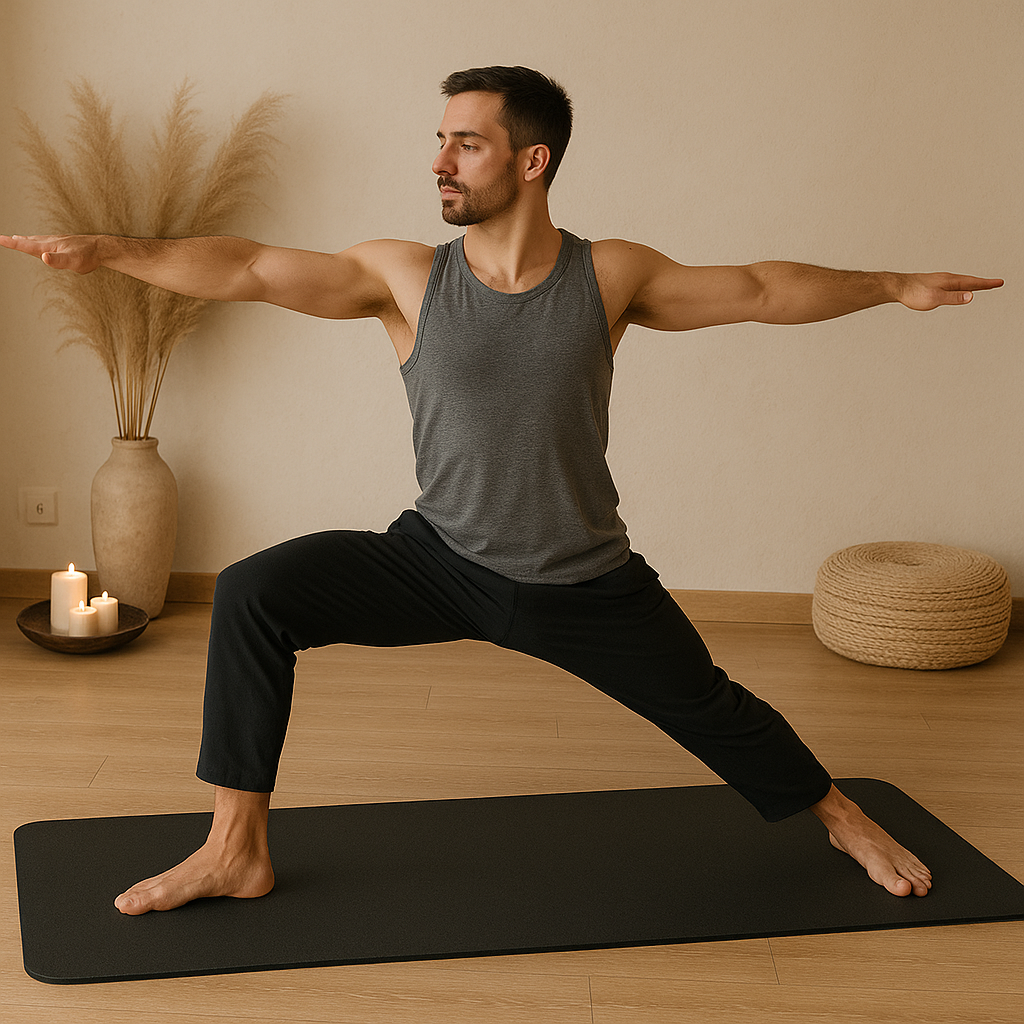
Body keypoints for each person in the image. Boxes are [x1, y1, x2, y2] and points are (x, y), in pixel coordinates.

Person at [2, 67, 1003, 916]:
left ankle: (843, 818)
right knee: (258, 592)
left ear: (533, 162)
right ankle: (236, 847)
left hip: (583, 576)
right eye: (439, 140)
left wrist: (888, 283)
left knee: (712, 707)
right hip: (437, 558)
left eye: (467, 144)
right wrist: (114, 251)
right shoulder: (404, 276)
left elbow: (756, 290)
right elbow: (254, 267)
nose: (439, 162)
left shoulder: (609, 276)